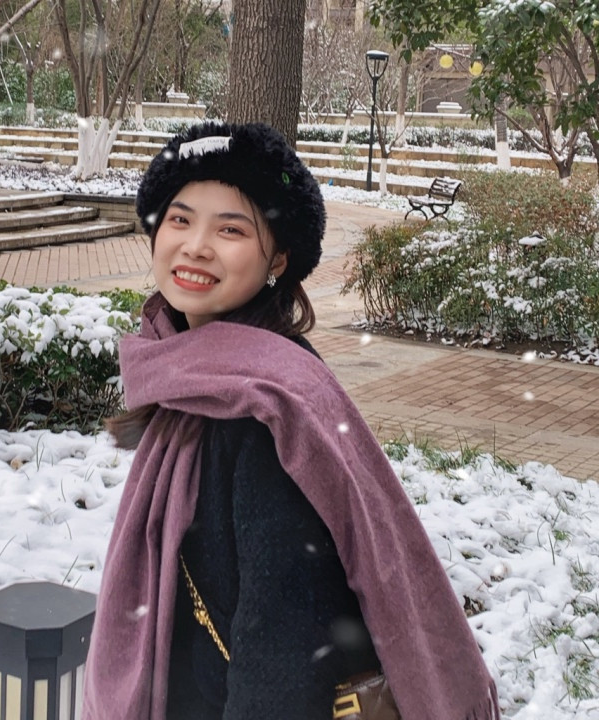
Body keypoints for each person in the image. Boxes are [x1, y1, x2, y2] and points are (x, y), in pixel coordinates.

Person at [82, 122, 500, 720]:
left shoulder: (264, 414)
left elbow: (282, 646)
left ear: (278, 258)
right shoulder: (197, 375)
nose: (195, 246)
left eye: (230, 229)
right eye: (180, 219)